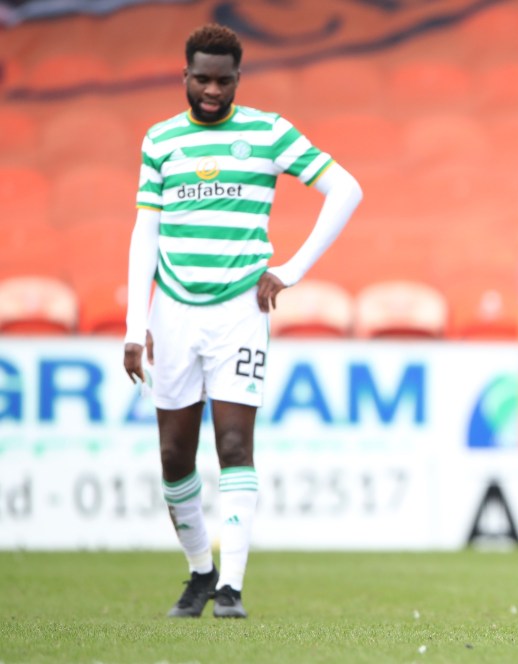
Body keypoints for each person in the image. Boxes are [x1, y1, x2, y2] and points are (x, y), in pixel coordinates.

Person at [122, 23, 362, 619]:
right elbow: (144, 234)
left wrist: (293, 268)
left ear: (237, 79)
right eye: (201, 78)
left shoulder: (267, 131)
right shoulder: (161, 141)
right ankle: (200, 571)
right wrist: (134, 324)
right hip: (172, 312)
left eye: (222, 81)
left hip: (239, 310)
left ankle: (231, 586)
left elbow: (346, 189)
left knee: (233, 443)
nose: (211, 90)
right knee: (175, 455)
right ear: (184, 75)